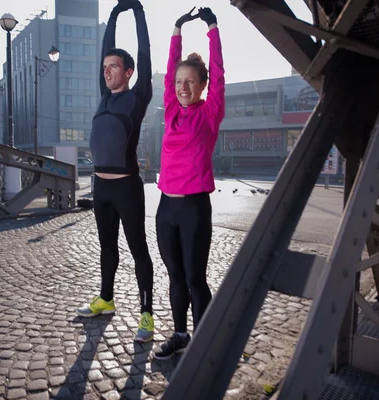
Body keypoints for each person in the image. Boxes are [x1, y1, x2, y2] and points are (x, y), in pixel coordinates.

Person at [76, 0, 155, 343]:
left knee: (138, 249)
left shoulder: (138, 96)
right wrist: (111, 16)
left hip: (127, 188)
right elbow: (105, 53)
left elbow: (145, 51)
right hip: (101, 188)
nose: (107, 71)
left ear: (129, 72)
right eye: (105, 66)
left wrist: (134, 11)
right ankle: (106, 299)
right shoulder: (103, 98)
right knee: (107, 247)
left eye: (114, 67)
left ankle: (147, 314)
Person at [153, 6, 225, 360]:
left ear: (202, 86)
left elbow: (220, 72)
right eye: (179, 82)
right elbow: (167, 74)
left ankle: (205, 341)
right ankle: (180, 335)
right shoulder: (170, 109)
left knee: (196, 279)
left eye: (190, 82)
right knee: (176, 277)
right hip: (166, 207)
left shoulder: (210, 113)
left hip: (195, 207)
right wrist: (176, 29)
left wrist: (212, 27)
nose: (182, 87)